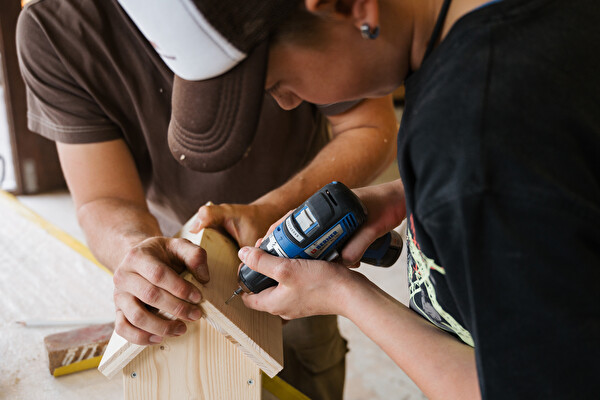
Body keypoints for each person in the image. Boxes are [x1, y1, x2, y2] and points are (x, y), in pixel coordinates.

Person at [127, 0, 598, 398]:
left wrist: (344, 294)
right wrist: (412, 195)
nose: (288, 103)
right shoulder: (516, 31)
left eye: (275, 83)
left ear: (349, 5)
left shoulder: (470, 131)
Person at [15, 1, 399, 398]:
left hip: (300, 255)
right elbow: (101, 197)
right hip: (184, 242)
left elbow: (370, 125)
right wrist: (138, 255)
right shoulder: (55, 28)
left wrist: (272, 210)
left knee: (305, 367)